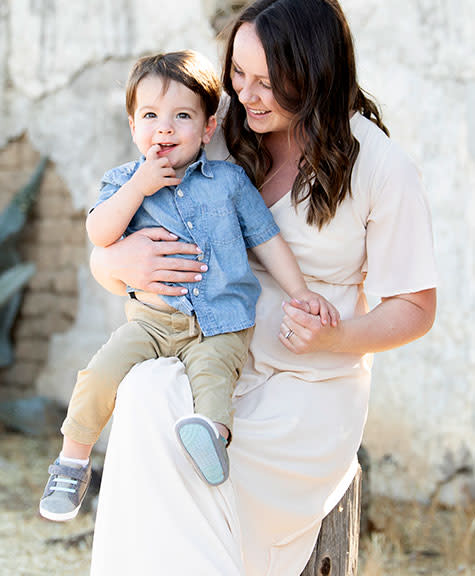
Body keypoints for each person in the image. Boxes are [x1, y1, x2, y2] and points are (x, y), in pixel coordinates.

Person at [90, 1, 437, 574]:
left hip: (307, 388)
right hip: (211, 358)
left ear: (315, 74)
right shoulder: (215, 128)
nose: (245, 95)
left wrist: (336, 337)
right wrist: (116, 262)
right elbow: (113, 232)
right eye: (238, 73)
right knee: (144, 395)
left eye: (268, 83)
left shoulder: (379, 165)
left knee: (195, 471)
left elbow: (416, 308)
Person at [39, 49, 338, 522]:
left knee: (214, 380)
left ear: (208, 128)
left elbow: (267, 238)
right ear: (133, 126)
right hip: (152, 323)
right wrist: (138, 187)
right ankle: (72, 463)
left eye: (182, 116)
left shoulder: (229, 182)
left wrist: (301, 292)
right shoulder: (122, 182)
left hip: (220, 324)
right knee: (100, 373)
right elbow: (99, 232)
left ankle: (212, 443)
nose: (165, 129)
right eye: (150, 116)